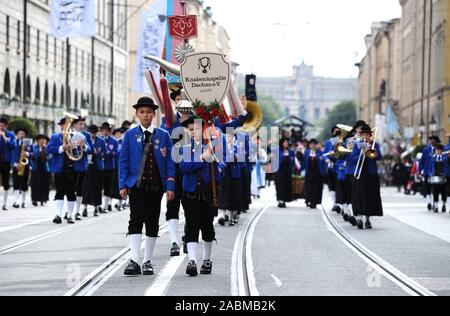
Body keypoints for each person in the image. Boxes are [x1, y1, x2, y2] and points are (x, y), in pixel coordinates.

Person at [119, 97, 176, 276]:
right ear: (137, 114)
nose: (145, 115)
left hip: (156, 186)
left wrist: (170, 185)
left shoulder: (163, 135)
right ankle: (134, 260)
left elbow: (170, 163)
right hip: (136, 185)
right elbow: (123, 161)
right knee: (135, 220)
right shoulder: (129, 135)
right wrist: (122, 184)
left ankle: (147, 261)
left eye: (149, 112)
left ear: (154, 114)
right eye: (142, 112)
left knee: (152, 221)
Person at [180, 116, 225, 277]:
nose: (193, 132)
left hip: (207, 192)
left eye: (197, 129)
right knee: (191, 225)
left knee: (207, 226)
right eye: (191, 130)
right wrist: (201, 158)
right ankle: (191, 260)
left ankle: (207, 259)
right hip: (190, 193)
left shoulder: (212, 145)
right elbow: (185, 167)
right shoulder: (184, 147)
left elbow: (222, 163)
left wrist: (218, 167)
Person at [161, 89, 192, 257]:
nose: (181, 103)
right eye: (178, 100)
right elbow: (161, 141)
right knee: (172, 205)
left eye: (184, 99)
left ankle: (189, 237)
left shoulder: (198, 121)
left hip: (191, 169)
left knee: (190, 207)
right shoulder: (168, 121)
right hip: (173, 167)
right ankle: (174, 242)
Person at [47, 118, 88, 224]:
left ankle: (70, 215)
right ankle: (58, 215)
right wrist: (62, 147)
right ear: (61, 126)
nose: (66, 126)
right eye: (64, 125)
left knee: (71, 192)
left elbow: (88, 149)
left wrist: (83, 146)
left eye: (68, 124)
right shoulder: (55, 137)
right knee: (59, 192)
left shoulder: (76, 136)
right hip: (59, 168)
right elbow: (49, 149)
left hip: (73, 168)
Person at [351, 125, 383, 229]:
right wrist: (362, 153)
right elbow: (353, 158)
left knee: (370, 196)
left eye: (368, 134)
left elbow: (379, 157)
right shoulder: (357, 145)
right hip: (360, 172)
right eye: (364, 134)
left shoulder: (375, 144)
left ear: (370, 135)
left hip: (371, 173)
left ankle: (368, 219)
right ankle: (359, 218)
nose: (366, 136)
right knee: (359, 195)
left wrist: (373, 151)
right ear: (361, 135)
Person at [71, 117, 93, 221]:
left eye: (83, 124)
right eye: (80, 124)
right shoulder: (68, 134)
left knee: (80, 189)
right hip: (69, 165)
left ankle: (77, 211)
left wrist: (84, 146)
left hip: (81, 165)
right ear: (74, 124)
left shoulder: (86, 135)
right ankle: (69, 211)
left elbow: (90, 150)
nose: (82, 126)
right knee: (70, 189)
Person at [82, 125, 106, 217]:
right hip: (88, 165)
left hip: (98, 166)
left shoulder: (101, 141)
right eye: (91, 132)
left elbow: (105, 152)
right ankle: (85, 208)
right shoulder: (85, 140)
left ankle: (96, 207)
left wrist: (98, 153)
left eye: (94, 132)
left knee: (97, 188)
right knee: (86, 187)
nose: (93, 134)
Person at [301, 139, 327, 209]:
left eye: (314, 144)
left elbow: (324, 159)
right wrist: (300, 170)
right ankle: (308, 200)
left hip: (317, 173)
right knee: (308, 187)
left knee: (316, 188)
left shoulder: (320, 152)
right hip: (309, 173)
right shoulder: (306, 152)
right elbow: (304, 163)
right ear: (309, 145)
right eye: (311, 144)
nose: (313, 145)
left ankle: (314, 202)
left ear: (316, 145)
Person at [100, 122, 119, 213]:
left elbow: (116, 153)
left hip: (109, 167)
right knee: (100, 186)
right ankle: (99, 204)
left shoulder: (114, 141)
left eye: (106, 131)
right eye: (103, 130)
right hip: (100, 166)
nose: (104, 132)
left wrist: (109, 153)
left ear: (109, 131)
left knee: (108, 186)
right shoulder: (99, 140)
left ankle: (106, 205)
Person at [11, 128, 32, 209]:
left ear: (25, 135)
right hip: (16, 166)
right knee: (16, 184)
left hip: (25, 166)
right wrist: (14, 163)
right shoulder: (14, 143)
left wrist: (28, 154)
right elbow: (11, 154)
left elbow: (33, 154)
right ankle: (16, 201)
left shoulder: (28, 143)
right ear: (17, 135)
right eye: (20, 133)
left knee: (24, 185)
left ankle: (23, 202)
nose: (21, 135)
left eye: (23, 134)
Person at [419, 136, 440, 210]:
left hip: (436, 173)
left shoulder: (439, 149)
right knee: (428, 188)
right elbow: (422, 161)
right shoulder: (426, 150)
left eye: (434, 140)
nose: (432, 141)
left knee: (435, 189)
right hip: (427, 172)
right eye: (431, 140)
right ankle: (429, 202)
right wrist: (420, 170)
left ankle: (435, 203)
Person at [0, 117, 16, 210]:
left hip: (6, 161)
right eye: (0, 125)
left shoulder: (10, 135)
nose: (1, 127)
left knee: (6, 183)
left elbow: (13, 146)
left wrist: (4, 137)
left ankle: (4, 203)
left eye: (3, 126)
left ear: (6, 126)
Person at [426, 144, 448, 213]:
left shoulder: (445, 158)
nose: (438, 151)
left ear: (442, 151)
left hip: (443, 177)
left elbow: (446, 167)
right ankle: (436, 206)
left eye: (439, 150)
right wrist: (430, 174)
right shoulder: (432, 158)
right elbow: (429, 168)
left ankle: (444, 204)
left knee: (444, 192)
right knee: (435, 191)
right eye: (437, 150)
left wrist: (445, 174)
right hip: (435, 177)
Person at [275, 138, 296, 208]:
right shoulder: (278, 151)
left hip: (288, 171)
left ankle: (285, 199)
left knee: (287, 185)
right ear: (281, 143)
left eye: (287, 142)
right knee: (280, 186)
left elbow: (293, 162)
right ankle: (281, 200)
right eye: (284, 142)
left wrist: (292, 170)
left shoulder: (291, 151)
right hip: (280, 171)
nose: (286, 143)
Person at [324, 126, 341, 212]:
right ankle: (334, 203)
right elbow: (325, 154)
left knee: (339, 185)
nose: (337, 133)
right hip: (331, 166)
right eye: (335, 132)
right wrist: (327, 158)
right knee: (332, 186)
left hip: (340, 167)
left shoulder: (343, 142)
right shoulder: (329, 142)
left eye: (338, 132)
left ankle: (340, 203)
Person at [30, 135, 50, 206]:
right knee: (34, 184)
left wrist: (44, 151)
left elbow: (50, 156)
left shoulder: (47, 148)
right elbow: (31, 156)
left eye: (43, 140)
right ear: (38, 141)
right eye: (41, 140)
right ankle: (34, 199)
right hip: (36, 168)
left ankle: (43, 199)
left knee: (44, 184)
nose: (43, 141)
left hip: (44, 168)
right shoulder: (34, 147)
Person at [111, 128, 125, 211]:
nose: (118, 135)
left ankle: (120, 203)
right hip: (114, 166)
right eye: (116, 134)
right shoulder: (112, 142)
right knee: (113, 185)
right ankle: (111, 203)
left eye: (119, 134)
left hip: (121, 166)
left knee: (121, 185)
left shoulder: (123, 142)